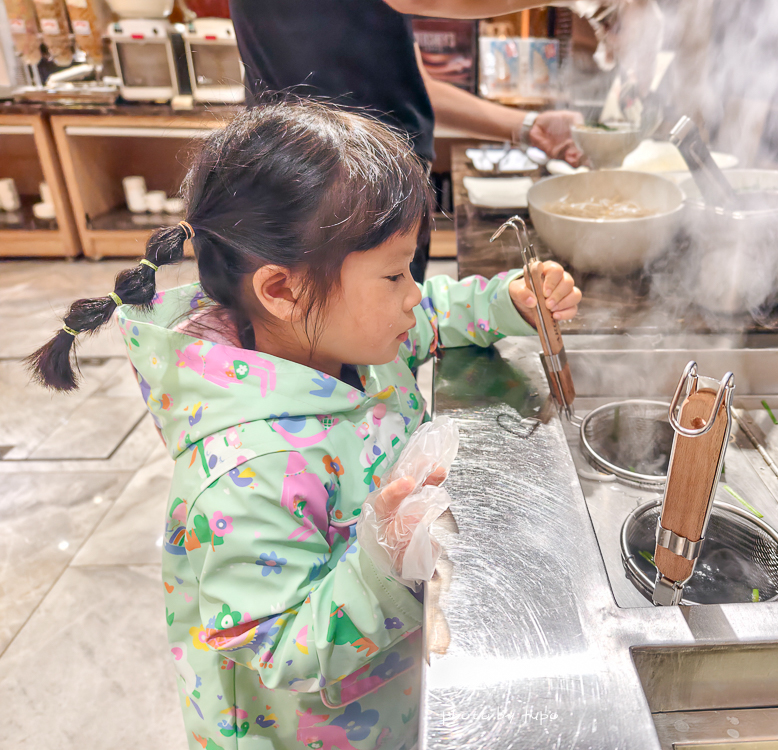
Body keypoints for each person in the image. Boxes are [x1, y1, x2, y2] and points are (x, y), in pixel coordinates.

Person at [27, 102, 581, 750]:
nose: (412, 292)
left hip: (386, 690)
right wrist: (383, 564)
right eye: (393, 274)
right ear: (282, 290)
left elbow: (427, 315)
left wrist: (503, 302)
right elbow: (280, 647)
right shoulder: (248, 472)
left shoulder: (348, 337)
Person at [228, 0, 584, 282]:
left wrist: (529, 126)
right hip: (335, 196)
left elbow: (416, 87)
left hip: (371, 194)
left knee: (395, 336)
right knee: (355, 342)